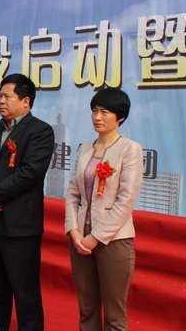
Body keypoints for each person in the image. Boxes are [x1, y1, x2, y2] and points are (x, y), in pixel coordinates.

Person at [0, 73, 55, 331]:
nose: (1, 102)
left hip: (20, 225)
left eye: (7, 97)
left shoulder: (40, 131)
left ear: (26, 101)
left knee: (24, 289)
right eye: (0, 97)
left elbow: (30, 172)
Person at [64, 88, 143, 331]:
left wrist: (95, 237)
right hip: (80, 238)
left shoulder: (130, 149)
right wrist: (74, 231)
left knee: (114, 314)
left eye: (104, 112)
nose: (97, 117)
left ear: (120, 117)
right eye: (94, 111)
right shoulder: (85, 149)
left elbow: (125, 200)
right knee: (87, 308)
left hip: (114, 240)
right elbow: (72, 193)